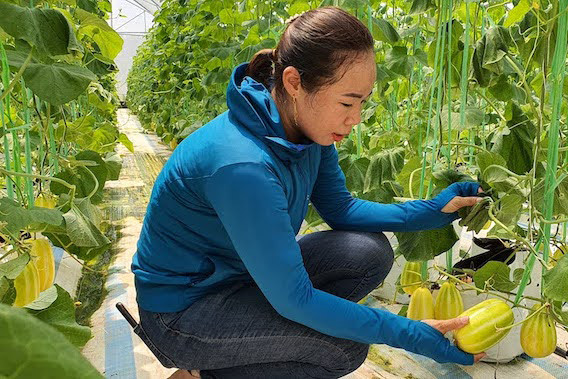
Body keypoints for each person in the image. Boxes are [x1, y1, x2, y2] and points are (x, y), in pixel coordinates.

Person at [131, 6, 486, 379]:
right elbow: (295, 299)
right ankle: (204, 373)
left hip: (243, 278)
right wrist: (409, 333)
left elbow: (342, 210)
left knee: (367, 252)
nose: (355, 118)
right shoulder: (243, 166)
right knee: (343, 349)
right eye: (347, 102)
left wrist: (433, 210)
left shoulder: (307, 131)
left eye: (362, 102)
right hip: (184, 312)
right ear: (294, 82)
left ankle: (264, 348)